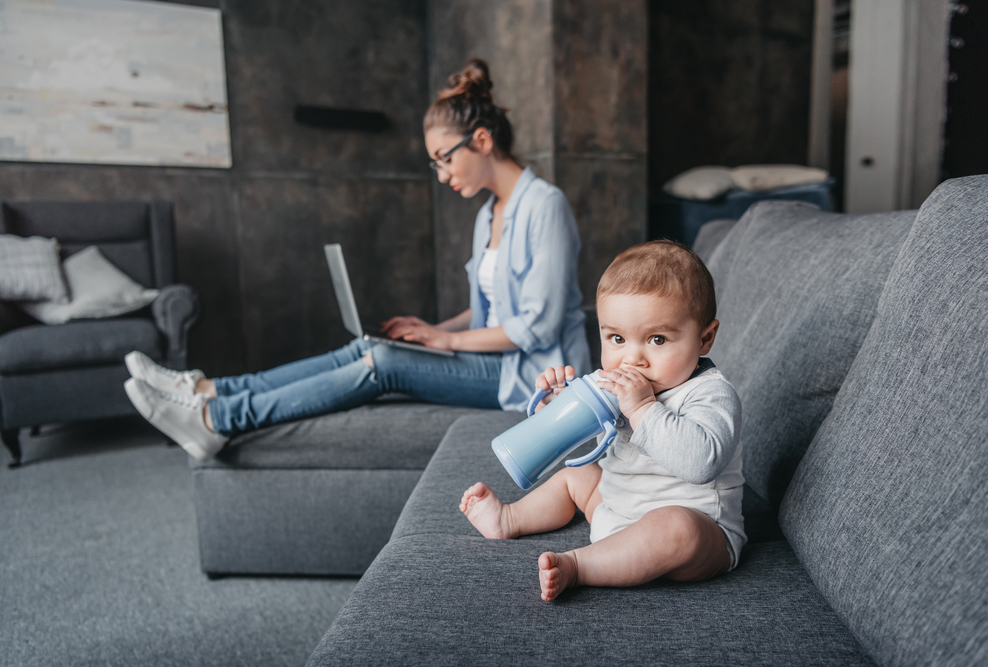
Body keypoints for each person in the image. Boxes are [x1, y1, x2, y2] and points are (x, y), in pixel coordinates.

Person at [123, 58, 591, 461]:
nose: (442, 174)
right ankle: (208, 390)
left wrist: (447, 343)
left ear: (483, 140)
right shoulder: (488, 212)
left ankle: (215, 420)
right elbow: (490, 311)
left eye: (444, 159)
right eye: (436, 164)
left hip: (533, 375)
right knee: (363, 348)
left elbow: (537, 327)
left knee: (380, 362)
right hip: (496, 359)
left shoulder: (544, 205)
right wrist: (433, 330)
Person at [459, 240, 745, 601]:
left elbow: (701, 464)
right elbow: (576, 436)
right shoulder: (614, 384)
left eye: (657, 339)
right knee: (577, 477)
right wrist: (554, 402)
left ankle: (580, 566)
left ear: (705, 338)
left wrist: (642, 409)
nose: (632, 359)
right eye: (617, 338)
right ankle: (509, 519)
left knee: (677, 527)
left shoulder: (711, 394)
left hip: (699, 535)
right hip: (615, 511)